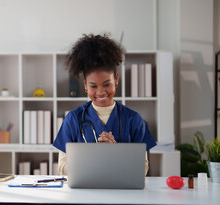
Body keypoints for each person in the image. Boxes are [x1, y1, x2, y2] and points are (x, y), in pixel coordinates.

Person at [52, 33, 156, 175]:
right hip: (85, 195)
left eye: (107, 84)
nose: (101, 92)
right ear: (85, 85)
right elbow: (62, 168)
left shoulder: (134, 120)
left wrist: (113, 153)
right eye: (93, 86)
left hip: (122, 194)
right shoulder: (73, 119)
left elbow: (142, 168)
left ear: (116, 79)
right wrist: (95, 155)